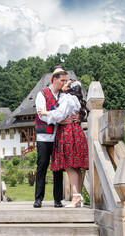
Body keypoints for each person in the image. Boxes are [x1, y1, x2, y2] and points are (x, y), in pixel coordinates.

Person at [38, 79, 89, 208]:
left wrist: (46, 113)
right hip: (75, 131)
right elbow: (85, 112)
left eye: (67, 83)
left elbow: (60, 115)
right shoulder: (76, 99)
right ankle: (78, 196)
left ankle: (76, 197)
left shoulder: (67, 98)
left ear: (69, 88)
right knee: (75, 166)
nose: (64, 84)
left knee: (70, 166)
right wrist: (81, 117)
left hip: (67, 132)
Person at [34, 66, 74, 208]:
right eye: (62, 80)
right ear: (55, 79)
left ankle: (58, 200)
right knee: (42, 165)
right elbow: (41, 115)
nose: (64, 83)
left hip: (59, 136)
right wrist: (58, 119)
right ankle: (38, 199)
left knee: (58, 168)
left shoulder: (64, 96)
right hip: (44, 136)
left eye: (65, 80)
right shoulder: (42, 94)